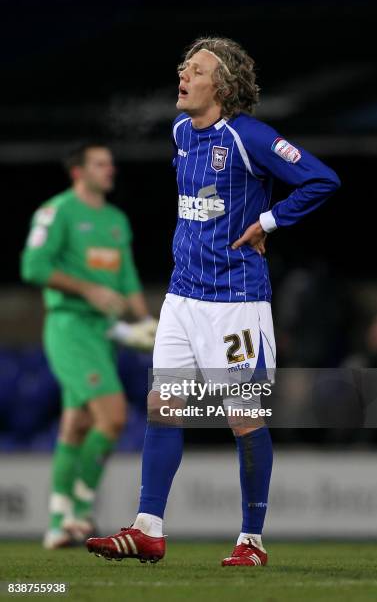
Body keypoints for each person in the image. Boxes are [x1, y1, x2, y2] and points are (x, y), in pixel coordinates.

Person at [86, 37, 340, 566]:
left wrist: (269, 221)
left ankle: (252, 541)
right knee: (164, 409)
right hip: (182, 297)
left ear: (220, 86)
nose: (183, 74)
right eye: (183, 65)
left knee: (243, 419)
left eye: (195, 69)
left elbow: (321, 178)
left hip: (236, 303)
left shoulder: (249, 136)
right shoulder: (181, 133)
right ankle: (148, 528)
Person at [21, 144, 157, 549]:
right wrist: (88, 289)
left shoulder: (116, 220)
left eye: (111, 163)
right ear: (77, 172)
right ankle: (80, 510)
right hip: (70, 328)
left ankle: (61, 521)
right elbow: (33, 267)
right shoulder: (56, 211)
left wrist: (146, 321)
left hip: (104, 333)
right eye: (100, 164)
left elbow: (128, 278)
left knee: (77, 424)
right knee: (113, 416)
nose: (109, 169)